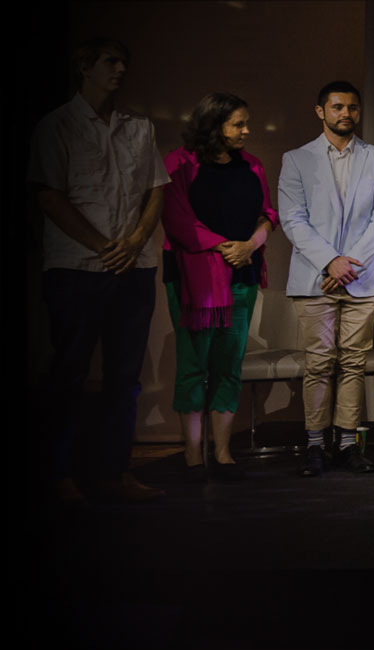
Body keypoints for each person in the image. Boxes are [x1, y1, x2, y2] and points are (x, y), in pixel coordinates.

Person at [29, 39, 169, 503]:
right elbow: (50, 195)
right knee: (69, 371)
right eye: (111, 61)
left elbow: (155, 191)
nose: (121, 69)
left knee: (124, 376)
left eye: (124, 61)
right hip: (77, 267)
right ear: (84, 67)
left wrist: (132, 243)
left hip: (134, 266)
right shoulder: (58, 125)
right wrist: (102, 246)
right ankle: (60, 473)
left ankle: (115, 471)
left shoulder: (138, 127)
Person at [159, 93, 278, 482]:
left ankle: (223, 451)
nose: (247, 130)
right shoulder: (179, 163)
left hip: (241, 275)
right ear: (214, 125)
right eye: (238, 124)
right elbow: (177, 220)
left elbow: (267, 213)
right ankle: (194, 453)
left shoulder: (252, 165)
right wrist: (224, 248)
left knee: (229, 364)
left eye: (247, 123)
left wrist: (250, 245)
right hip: (194, 279)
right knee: (194, 366)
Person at [277, 80, 374, 477]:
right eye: (338, 106)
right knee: (320, 363)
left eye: (353, 108)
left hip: (362, 280)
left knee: (354, 364)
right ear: (320, 111)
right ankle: (314, 445)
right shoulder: (296, 159)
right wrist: (330, 262)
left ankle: (347, 444)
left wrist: (349, 263)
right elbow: (292, 219)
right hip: (315, 279)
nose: (346, 113)